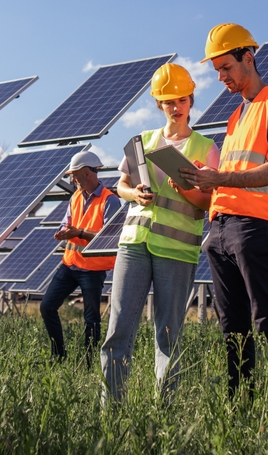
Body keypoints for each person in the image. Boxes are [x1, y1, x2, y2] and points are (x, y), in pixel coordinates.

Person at [179, 23, 268, 395]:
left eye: (226, 68)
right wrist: (205, 178)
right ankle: (240, 405)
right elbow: (233, 173)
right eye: (217, 71)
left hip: (256, 226)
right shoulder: (235, 117)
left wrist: (221, 178)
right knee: (232, 327)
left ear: (247, 58)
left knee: (267, 320)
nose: (221, 78)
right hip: (219, 229)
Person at [100, 63, 220, 403]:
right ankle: (112, 410)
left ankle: (164, 413)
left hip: (176, 250)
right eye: (169, 101)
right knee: (118, 330)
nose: (176, 107)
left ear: (191, 101)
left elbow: (209, 201)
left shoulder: (205, 147)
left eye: (182, 99)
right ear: (159, 104)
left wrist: (183, 187)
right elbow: (120, 184)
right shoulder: (142, 142)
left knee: (168, 336)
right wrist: (134, 193)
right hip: (134, 245)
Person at [40, 150, 120, 362]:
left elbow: (109, 239)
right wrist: (63, 231)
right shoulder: (75, 196)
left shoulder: (110, 201)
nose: (72, 179)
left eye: (74, 174)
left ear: (87, 173)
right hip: (69, 264)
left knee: (91, 318)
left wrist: (79, 233)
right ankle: (58, 356)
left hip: (92, 270)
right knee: (47, 306)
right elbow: (67, 222)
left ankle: (88, 363)